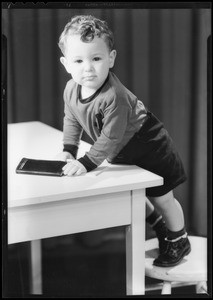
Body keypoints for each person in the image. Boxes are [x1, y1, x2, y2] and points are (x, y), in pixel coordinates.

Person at [55, 15, 191, 267]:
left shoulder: (114, 95)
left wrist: (86, 162)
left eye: (96, 58)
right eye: (78, 60)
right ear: (65, 63)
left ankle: (179, 239)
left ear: (111, 58)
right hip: (120, 149)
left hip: (149, 143)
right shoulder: (70, 89)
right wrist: (68, 150)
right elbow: (71, 118)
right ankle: (160, 227)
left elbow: (111, 135)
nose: (88, 68)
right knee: (133, 195)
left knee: (163, 198)